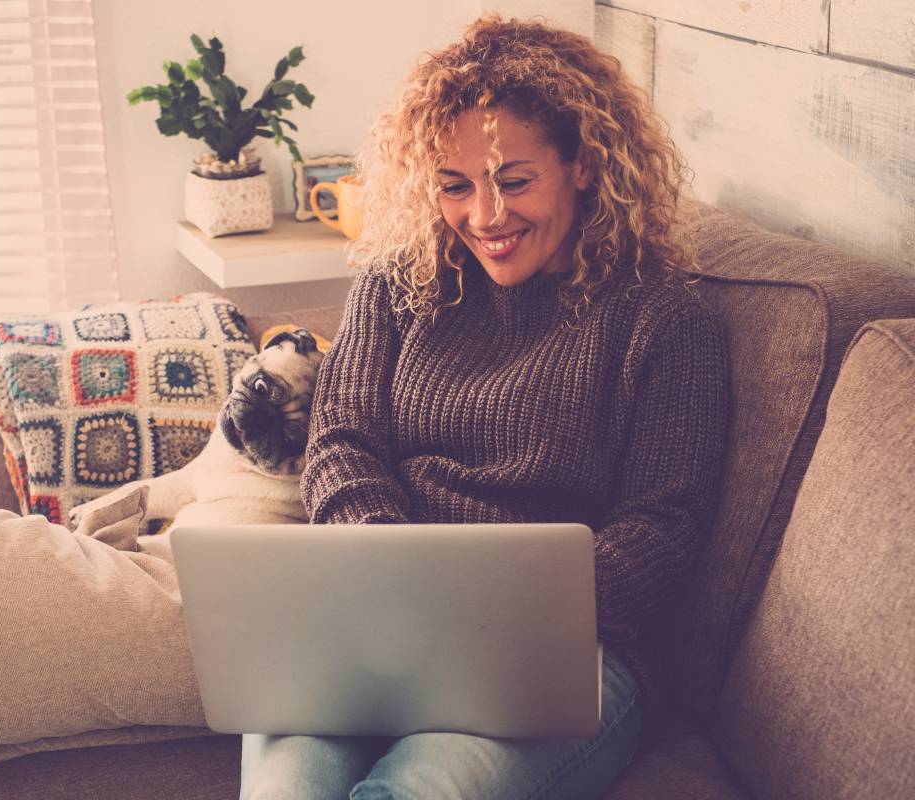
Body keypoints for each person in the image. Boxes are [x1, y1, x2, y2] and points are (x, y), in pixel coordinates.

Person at [241, 14, 730, 800]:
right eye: (455, 186)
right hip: (378, 621)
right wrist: (397, 577)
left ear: (581, 163)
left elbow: (661, 529)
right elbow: (341, 441)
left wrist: (498, 620)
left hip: (567, 654)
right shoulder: (398, 282)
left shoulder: (665, 319)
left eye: (513, 180)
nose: (485, 218)